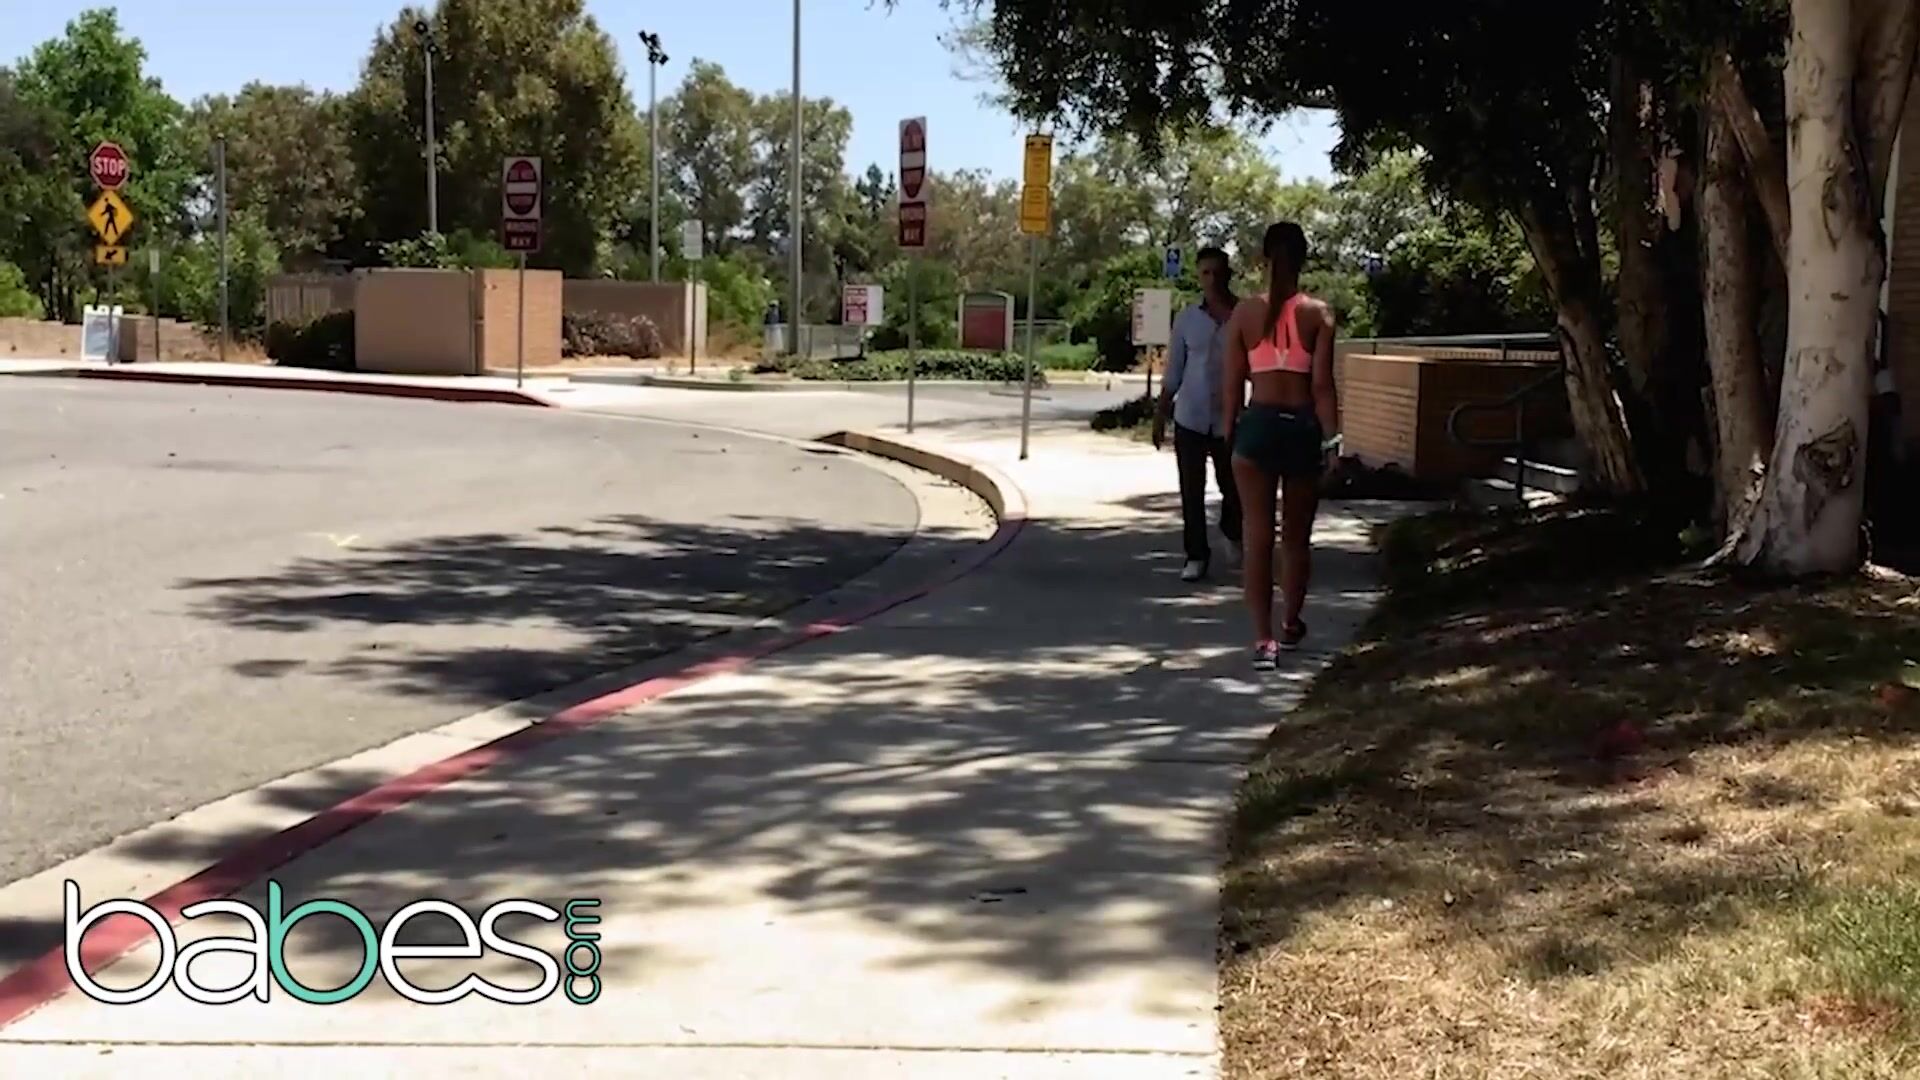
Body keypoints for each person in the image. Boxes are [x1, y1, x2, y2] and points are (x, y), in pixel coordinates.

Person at [1221, 222, 1341, 671]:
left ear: (1264, 259)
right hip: (1301, 429)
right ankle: (1290, 622)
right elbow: (1322, 386)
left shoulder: (1244, 314)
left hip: (1258, 427)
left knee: (1257, 538)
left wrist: (1229, 432)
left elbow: (1232, 385)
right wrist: (1334, 440)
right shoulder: (1318, 315)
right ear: (1304, 258)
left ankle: (1262, 639)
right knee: (1295, 539)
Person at [1152, 247, 1243, 582]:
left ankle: (1232, 530)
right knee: (1192, 490)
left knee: (1234, 487)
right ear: (1199, 277)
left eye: (1218, 272)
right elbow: (1174, 370)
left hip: (1230, 418)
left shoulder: (1244, 316)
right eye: (1205, 273)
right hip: (1191, 415)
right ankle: (1196, 555)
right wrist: (1160, 414)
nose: (1212, 279)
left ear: (1228, 275)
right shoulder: (1188, 320)